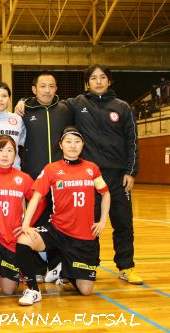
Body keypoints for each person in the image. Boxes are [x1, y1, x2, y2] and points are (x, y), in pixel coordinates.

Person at [62, 64, 142, 284]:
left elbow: (132, 141)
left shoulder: (123, 107)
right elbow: (53, 106)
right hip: (88, 177)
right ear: (87, 83)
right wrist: (24, 104)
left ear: (109, 81)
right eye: (93, 78)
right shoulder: (78, 103)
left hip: (117, 176)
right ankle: (87, 267)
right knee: (87, 224)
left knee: (123, 223)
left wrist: (131, 171)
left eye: (102, 77)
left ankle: (126, 266)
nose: (98, 81)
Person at [15, 126, 110, 306]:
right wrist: (26, 224)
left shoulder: (92, 169)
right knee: (23, 240)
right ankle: (33, 290)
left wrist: (103, 220)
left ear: (83, 144)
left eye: (77, 141)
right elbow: (36, 197)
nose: (72, 146)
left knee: (86, 291)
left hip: (83, 237)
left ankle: (64, 270)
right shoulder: (51, 169)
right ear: (61, 145)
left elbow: (106, 193)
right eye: (68, 142)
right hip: (57, 231)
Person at [16, 71, 74, 283]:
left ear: (56, 89)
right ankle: (37, 268)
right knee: (36, 222)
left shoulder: (65, 110)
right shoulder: (25, 110)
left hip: (61, 179)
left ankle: (59, 266)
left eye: (51, 86)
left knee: (59, 223)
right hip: (34, 178)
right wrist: (21, 102)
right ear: (34, 89)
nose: (47, 90)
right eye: (43, 86)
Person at [0, 135, 45, 295]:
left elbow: (38, 202)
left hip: (10, 236)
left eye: (10, 150)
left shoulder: (24, 178)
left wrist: (27, 224)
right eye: (0, 150)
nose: (5, 154)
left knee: (8, 290)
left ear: (16, 154)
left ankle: (18, 270)